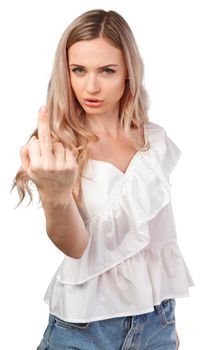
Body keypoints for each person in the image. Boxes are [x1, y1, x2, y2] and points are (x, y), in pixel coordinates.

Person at [12, 9, 194, 350]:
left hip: (157, 323)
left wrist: (166, 329)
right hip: (83, 330)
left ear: (128, 72)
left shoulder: (154, 141)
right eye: (78, 70)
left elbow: (155, 243)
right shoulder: (59, 149)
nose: (91, 87)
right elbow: (75, 246)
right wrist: (55, 195)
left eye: (107, 70)